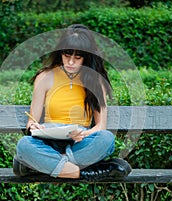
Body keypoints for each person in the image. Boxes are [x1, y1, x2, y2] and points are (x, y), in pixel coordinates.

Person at [13, 24, 131, 181]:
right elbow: (31, 121)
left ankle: (41, 167)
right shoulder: (45, 76)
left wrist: (83, 134)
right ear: (60, 52)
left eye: (77, 58)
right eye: (66, 56)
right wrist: (34, 126)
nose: (70, 62)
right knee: (24, 145)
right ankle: (85, 173)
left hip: (79, 142)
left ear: (87, 57)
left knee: (107, 139)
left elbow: (100, 126)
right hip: (50, 141)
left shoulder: (95, 80)